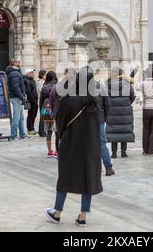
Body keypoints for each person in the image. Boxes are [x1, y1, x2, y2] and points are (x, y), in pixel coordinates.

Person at [45, 66, 103, 227]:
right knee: (88, 178)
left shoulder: (69, 100)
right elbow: (102, 121)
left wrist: (63, 137)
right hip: (91, 145)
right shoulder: (95, 100)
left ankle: (57, 212)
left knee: (65, 176)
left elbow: (60, 122)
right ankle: (83, 216)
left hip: (71, 143)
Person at [106, 68, 135, 158]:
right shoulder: (126, 83)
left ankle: (114, 153)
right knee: (124, 130)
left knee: (113, 130)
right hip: (125, 109)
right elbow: (132, 95)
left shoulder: (108, 84)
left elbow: (105, 97)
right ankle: (123, 152)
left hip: (112, 110)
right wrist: (127, 103)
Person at [96, 78, 114, 176]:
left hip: (86, 121)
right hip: (99, 119)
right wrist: (104, 118)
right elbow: (107, 104)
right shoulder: (101, 87)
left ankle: (93, 169)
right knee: (102, 144)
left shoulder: (80, 88)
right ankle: (108, 168)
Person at [6, 59, 27, 141]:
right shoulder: (14, 73)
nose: (20, 63)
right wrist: (22, 96)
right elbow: (16, 87)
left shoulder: (17, 72)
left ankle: (22, 134)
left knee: (21, 117)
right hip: (16, 97)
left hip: (19, 97)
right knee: (16, 117)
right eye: (18, 62)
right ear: (14, 63)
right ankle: (14, 135)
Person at [40, 71, 58, 158]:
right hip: (55, 111)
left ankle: (49, 151)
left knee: (48, 132)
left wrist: (41, 112)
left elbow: (41, 101)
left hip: (47, 112)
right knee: (57, 132)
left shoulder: (44, 86)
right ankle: (57, 151)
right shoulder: (57, 86)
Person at [24, 68, 38, 137]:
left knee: (34, 115)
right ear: (27, 74)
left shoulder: (33, 81)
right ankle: (29, 129)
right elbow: (28, 92)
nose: (32, 74)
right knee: (30, 115)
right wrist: (33, 100)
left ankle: (32, 128)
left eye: (32, 72)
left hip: (35, 100)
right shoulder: (27, 81)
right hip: (31, 101)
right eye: (31, 72)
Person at [37, 70, 47, 137]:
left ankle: (43, 131)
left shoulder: (44, 82)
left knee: (44, 116)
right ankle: (42, 132)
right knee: (42, 116)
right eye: (45, 75)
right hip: (42, 102)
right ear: (42, 75)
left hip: (43, 101)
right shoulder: (40, 82)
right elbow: (42, 90)